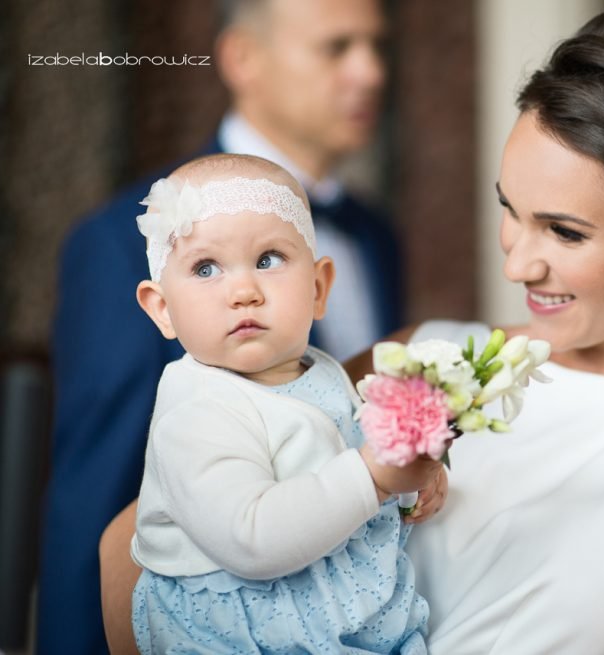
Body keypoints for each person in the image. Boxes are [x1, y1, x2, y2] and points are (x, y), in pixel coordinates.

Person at [101, 9, 604, 653]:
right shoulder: (421, 353)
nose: (516, 259)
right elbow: (132, 553)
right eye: (512, 208)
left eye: (564, 232)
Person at [38, 2, 400, 652]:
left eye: (377, 46)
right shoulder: (121, 242)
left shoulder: (374, 236)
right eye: (336, 47)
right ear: (242, 59)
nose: (370, 72)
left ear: (318, 282)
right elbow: (93, 496)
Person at [128, 153, 443, 653]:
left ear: (318, 289)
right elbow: (251, 538)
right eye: (206, 267)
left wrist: (410, 473)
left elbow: (358, 451)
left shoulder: (321, 370)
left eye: (268, 260)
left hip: (344, 614)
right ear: (163, 309)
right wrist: (374, 477)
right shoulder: (195, 410)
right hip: (242, 635)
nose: (244, 291)